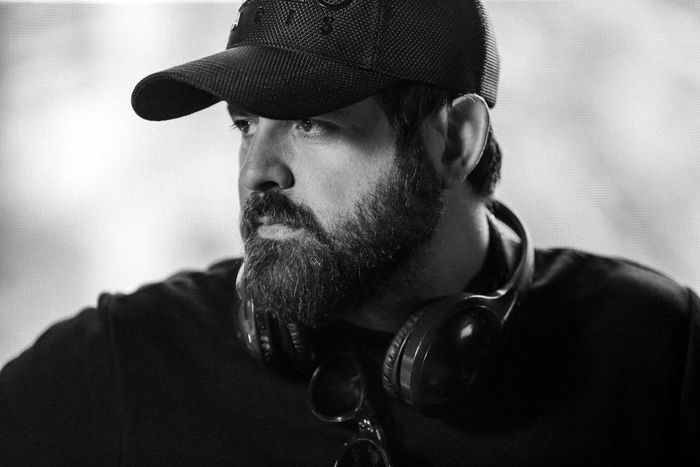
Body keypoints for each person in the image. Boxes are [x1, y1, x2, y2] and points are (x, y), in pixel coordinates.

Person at [1, 0, 698, 465]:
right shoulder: (127, 363)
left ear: (454, 140)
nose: (257, 173)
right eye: (246, 126)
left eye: (312, 124)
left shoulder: (658, 350)